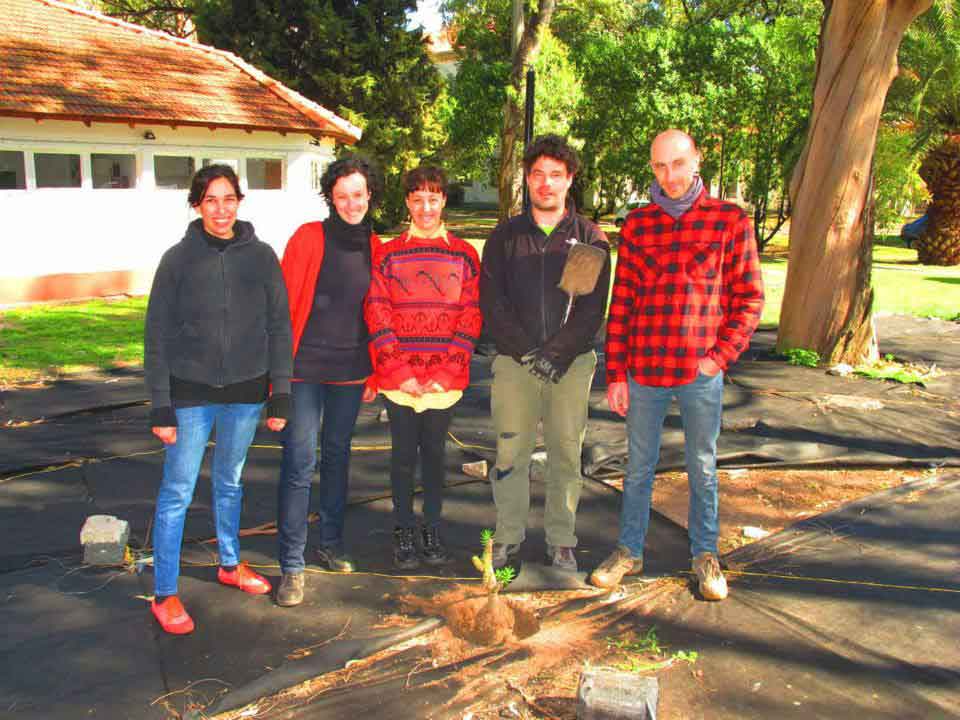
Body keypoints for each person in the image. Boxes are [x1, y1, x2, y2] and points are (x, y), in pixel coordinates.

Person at [591, 129, 764, 600]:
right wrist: (616, 373)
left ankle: (705, 554)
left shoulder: (728, 220)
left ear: (696, 161)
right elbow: (621, 303)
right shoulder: (637, 225)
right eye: (660, 166)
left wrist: (718, 358)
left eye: (678, 163)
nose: (669, 175)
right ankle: (629, 549)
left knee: (702, 466)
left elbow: (750, 299)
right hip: (644, 371)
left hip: (698, 374)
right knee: (638, 468)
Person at [144, 164, 292, 634]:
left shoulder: (263, 257)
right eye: (211, 200)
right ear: (196, 205)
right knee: (177, 493)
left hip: (246, 395)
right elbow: (156, 337)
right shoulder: (177, 260)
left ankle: (229, 564)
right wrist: (160, 405)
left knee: (230, 482)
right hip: (189, 396)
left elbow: (279, 328)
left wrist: (280, 394)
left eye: (229, 198)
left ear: (239, 202)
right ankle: (164, 593)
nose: (221, 209)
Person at [479, 135, 611, 572]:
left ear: (569, 179)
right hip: (515, 364)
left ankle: (561, 539)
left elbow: (590, 310)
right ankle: (508, 536)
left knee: (565, 453)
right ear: (527, 180)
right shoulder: (504, 237)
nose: (546, 184)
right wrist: (525, 351)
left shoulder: (589, 238)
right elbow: (491, 302)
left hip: (570, 366)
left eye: (556, 175)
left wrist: (556, 354)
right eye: (538, 175)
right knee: (510, 453)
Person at [364, 166, 482, 569]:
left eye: (433, 198)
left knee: (434, 456)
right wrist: (400, 373)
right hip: (400, 381)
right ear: (408, 203)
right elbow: (377, 313)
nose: (425, 207)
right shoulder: (388, 254)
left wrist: (445, 373)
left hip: (442, 384)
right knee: (402, 458)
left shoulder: (464, 255)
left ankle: (431, 526)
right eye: (417, 199)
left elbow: (471, 316)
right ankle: (402, 528)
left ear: (444, 201)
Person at [275, 156, 379, 607]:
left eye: (358, 195)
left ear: (369, 195)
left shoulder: (377, 246)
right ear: (330, 199)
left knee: (337, 456)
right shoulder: (307, 238)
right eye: (342, 196)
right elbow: (279, 308)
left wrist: (375, 369)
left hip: (351, 371)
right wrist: (275, 373)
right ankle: (292, 565)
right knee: (299, 461)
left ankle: (331, 542)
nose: (351, 203)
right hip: (303, 369)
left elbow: (380, 314)